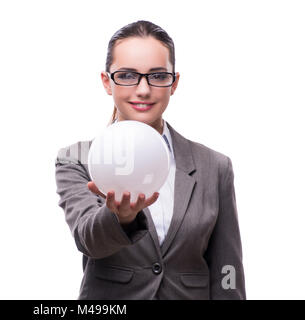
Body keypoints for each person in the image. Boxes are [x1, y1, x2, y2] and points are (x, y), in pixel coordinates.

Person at [54, 20, 245, 300]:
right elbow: (88, 239)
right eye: (128, 75)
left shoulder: (214, 166)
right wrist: (119, 219)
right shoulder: (76, 159)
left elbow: (227, 266)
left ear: (174, 82)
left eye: (157, 76)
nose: (143, 90)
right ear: (107, 82)